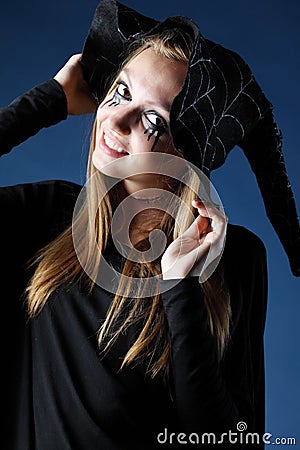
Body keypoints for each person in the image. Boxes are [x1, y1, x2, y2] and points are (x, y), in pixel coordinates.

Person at [0, 1, 297, 449]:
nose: (114, 120)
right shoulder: (48, 216)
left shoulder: (236, 261)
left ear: (187, 157)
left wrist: (181, 287)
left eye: (153, 119)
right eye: (119, 93)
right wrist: (48, 101)